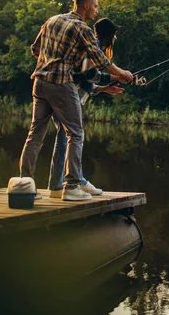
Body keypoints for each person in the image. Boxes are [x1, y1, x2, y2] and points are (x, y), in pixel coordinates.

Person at [19, 0, 133, 201]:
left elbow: (35, 49)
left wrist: (53, 59)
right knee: (76, 133)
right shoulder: (82, 28)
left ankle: (24, 184)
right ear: (87, 5)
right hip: (61, 83)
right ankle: (71, 186)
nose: (97, 11)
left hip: (39, 82)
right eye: (96, 6)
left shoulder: (52, 20)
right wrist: (122, 74)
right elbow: (102, 62)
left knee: (35, 135)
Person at [48, 17, 123, 198]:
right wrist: (117, 76)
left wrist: (104, 89)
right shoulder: (94, 46)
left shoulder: (94, 46)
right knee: (72, 138)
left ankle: (57, 186)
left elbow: (82, 79)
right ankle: (77, 182)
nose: (115, 38)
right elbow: (89, 74)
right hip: (66, 97)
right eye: (114, 34)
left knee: (63, 140)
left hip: (61, 95)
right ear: (108, 35)